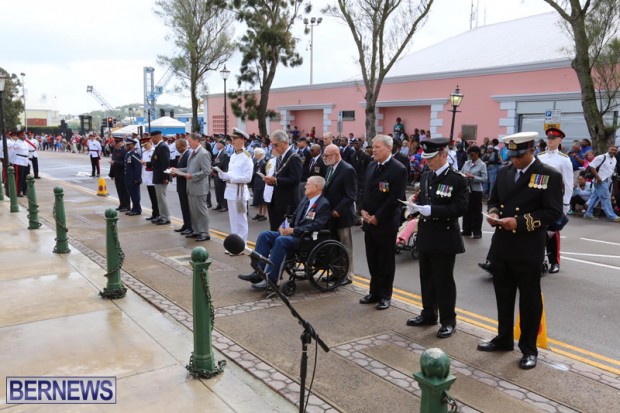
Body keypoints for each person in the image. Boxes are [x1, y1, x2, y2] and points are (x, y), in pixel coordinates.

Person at [477, 131, 563, 370]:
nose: (515, 160)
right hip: (502, 245)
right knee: (503, 296)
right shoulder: (504, 172)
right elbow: (493, 199)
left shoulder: (548, 175)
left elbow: (553, 212)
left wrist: (520, 222)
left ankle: (529, 348)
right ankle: (503, 338)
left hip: (528, 247)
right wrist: (493, 213)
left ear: (532, 151)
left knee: (529, 301)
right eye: (512, 156)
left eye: (520, 156)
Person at [405, 138, 468, 338]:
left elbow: (460, 208)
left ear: (443, 155)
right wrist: (414, 207)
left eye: (431, 158)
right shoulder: (426, 176)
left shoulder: (457, 179)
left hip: (445, 236)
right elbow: (424, 200)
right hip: (426, 234)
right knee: (426, 278)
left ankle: (448, 320)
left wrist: (433, 210)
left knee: (444, 281)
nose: (427, 162)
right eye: (426, 158)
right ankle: (429, 314)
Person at [237, 176, 331, 288]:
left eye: (308, 184)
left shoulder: (323, 204)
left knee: (281, 240)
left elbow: (316, 225)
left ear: (316, 187)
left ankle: (271, 279)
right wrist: (284, 226)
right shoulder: (305, 200)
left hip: (307, 239)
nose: (305, 186)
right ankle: (258, 272)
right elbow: (293, 217)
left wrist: (294, 230)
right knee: (265, 235)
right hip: (294, 235)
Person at [359, 135, 407, 310]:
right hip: (368, 220)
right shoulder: (372, 165)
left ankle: (385, 295)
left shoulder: (398, 169)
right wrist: (362, 210)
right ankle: (374, 292)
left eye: (378, 147)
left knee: (385, 260)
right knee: (372, 259)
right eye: (373, 147)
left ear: (388, 148)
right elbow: (364, 190)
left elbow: (395, 198)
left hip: (385, 223)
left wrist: (377, 216)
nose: (374, 150)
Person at [537, 127, 574, 273]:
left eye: (554, 138)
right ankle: (538, 260)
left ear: (560, 141)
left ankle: (554, 262)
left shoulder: (564, 159)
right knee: (538, 230)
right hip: (539, 198)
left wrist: (565, 204)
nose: (550, 140)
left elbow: (569, 184)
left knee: (553, 232)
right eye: (549, 138)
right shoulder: (540, 156)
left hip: (555, 200)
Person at [322, 144, 358, 285]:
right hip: (330, 215)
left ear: (336, 155)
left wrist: (338, 209)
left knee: (345, 246)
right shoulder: (330, 168)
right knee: (334, 246)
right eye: (324, 155)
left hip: (343, 215)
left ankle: (347, 275)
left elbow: (351, 195)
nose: (325, 158)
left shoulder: (347, 169)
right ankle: (337, 272)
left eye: (327, 156)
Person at [173, 133, 212, 242]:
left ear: (196, 141)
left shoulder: (203, 153)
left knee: (201, 211)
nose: (188, 144)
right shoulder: (193, 153)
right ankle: (196, 231)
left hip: (199, 187)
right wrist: (177, 170)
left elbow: (206, 171)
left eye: (190, 142)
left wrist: (192, 176)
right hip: (191, 187)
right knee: (193, 212)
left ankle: (204, 232)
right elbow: (190, 168)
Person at [218, 128, 254, 245]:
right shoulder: (233, 155)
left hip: (240, 193)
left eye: (235, 138)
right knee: (233, 220)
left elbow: (247, 178)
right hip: (231, 191)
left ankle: (241, 245)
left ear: (242, 140)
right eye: (232, 138)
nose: (232, 141)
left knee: (241, 220)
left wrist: (231, 178)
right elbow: (232, 172)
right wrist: (224, 175)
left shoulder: (246, 157)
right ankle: (234, 245)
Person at [263, 129, 303, 231]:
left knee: (283, 231)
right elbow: (278, 174)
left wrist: (276, 180)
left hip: (287, 203)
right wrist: (271, 180)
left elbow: (295, 179)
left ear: (284, 143)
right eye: (272, 145)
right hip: (276, 201)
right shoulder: (279, 157)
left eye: (276, 145)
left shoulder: (294, 157)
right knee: (274, 230)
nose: (274, 148)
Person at [583, 145, 620, 222]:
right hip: (600, 180)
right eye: (612, 149)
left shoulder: (614, 159)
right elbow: (592, 166)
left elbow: (610, 170)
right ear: (608, 149)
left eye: (615, 150)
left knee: (594, 198)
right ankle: (612, 216)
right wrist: (598, 177)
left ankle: (588, 214)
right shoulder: (601, 157)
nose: (613, 151)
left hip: (607, 180)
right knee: (606, 197)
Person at [460, 145, 488, 239]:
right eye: (469, 155)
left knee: (476, 212)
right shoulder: (466, 163)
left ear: (477, 154)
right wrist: (463, 176)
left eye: (472, 155)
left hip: (476, 190)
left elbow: (485, 179)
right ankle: (466, 230)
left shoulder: (482, 165)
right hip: (466, 190)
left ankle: (477, 232)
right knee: (466, 210)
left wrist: (473, 177)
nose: (470, 156)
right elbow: (461, 172)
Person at [150, 131, 171, 225]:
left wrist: (165, 177)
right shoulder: (159, 146)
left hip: (161, 177)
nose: (152, 140)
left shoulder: (163, 147)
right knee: (159, 198)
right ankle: (162, 216)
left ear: (156, 137)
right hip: (158, 176)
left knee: (162, 198)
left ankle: (165, 217)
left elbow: (165, 164)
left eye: (152, 138)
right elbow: (156, 162)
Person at [173, 138, 193, 235]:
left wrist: (177, 171)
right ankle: (185, 224)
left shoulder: (188, 155)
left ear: (184, 146)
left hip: (185, 184)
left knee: (187, 207)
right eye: (176, 147)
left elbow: (189, 169)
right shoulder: (183, 155)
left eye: (178, 147)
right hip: (181, 184)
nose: (177, 149)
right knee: (183, 206)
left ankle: (189, 226)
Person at [140, 137, 160, 222]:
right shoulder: (144, 152)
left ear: (150, 142)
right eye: (144, 145)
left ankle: (158, 214)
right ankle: (154, 213)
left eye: (146, 144)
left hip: (153, 176)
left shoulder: (154, 151)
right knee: (152, 197)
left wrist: (146, 163)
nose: (145, 146)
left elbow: (156, 164)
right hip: (147, 177)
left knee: (156, 198)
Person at [109, 137, 130, 212]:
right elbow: (112, 162)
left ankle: (127, 205)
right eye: (116, 143)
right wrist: (111, 174)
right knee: (119, 190)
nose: (116, 144)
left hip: (122, 173)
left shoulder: (124, 151)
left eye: (117, 143)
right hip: (116, 173)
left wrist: (115, 163)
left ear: (121, 142)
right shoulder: (115, 150)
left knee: (124, 190)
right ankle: (121, 204)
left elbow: (125, 163)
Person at [123, 138, 143, 216]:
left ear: (132, 145)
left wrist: (137, 178)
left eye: (128, 145)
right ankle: (134, 208)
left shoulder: (135, 154)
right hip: (128, 178)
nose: (126, 146)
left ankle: (137, 209)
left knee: (135, 195)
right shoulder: (128, 154)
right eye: (126, 145)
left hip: (133, 179)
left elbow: (138, 167)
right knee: (131, 194)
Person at [212, 140, 230, 212]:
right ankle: (219, 203)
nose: (217, 145)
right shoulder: (219, 153)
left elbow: (222, 164)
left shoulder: (224, 153)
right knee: (217, 190)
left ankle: (224, 205)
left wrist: (214, 170)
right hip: (217, 173)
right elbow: (215, 162)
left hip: (221, 173)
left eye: (218, 143)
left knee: (222, 190)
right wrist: (213, 169)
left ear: (222, 145)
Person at [251, 147, 268, 221]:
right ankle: (259, 213)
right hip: (257, 182)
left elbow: (265, 173)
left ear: (260, 154)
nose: (255, 155)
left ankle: (263, 214)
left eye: (256, 154)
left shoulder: (263, 163)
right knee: (258, 199)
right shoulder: (256, 162)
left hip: (262, 182)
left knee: (263, 199)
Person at [12, 131, 29, 197]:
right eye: (22, 135)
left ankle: (25, 190)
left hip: (25, 161)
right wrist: (13, 161)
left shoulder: (25, 142)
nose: (24, 136)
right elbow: (13, 153)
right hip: (19, 161)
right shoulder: (16, 143)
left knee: (25, 177)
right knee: (19, 177)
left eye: (24, 135)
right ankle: (18, 191)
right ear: (18, 136)